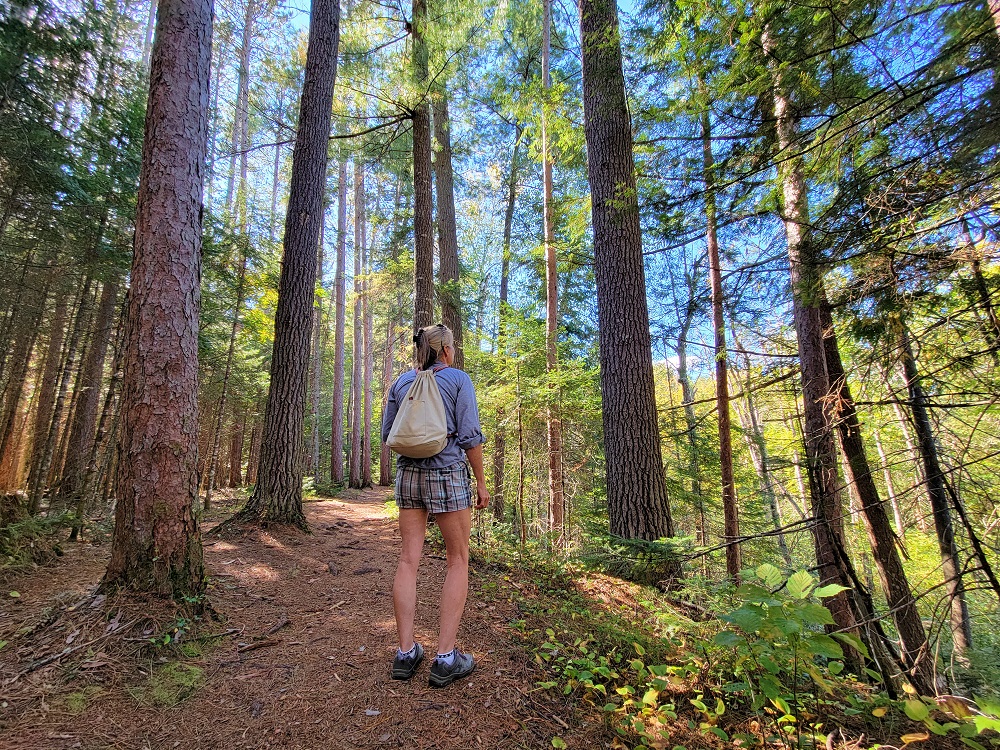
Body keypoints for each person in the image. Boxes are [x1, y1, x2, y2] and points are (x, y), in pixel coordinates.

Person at [381, 324, 490, 687]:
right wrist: (482, 483)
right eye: (452, 346)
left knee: (407, 560)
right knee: (457, 559)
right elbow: (470, 436)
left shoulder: (400, 383)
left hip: (408, 476)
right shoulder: (458, 380)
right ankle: (445, 657)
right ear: (445, 349)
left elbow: (387, 435)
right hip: (447, 474)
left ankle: (405, 652)